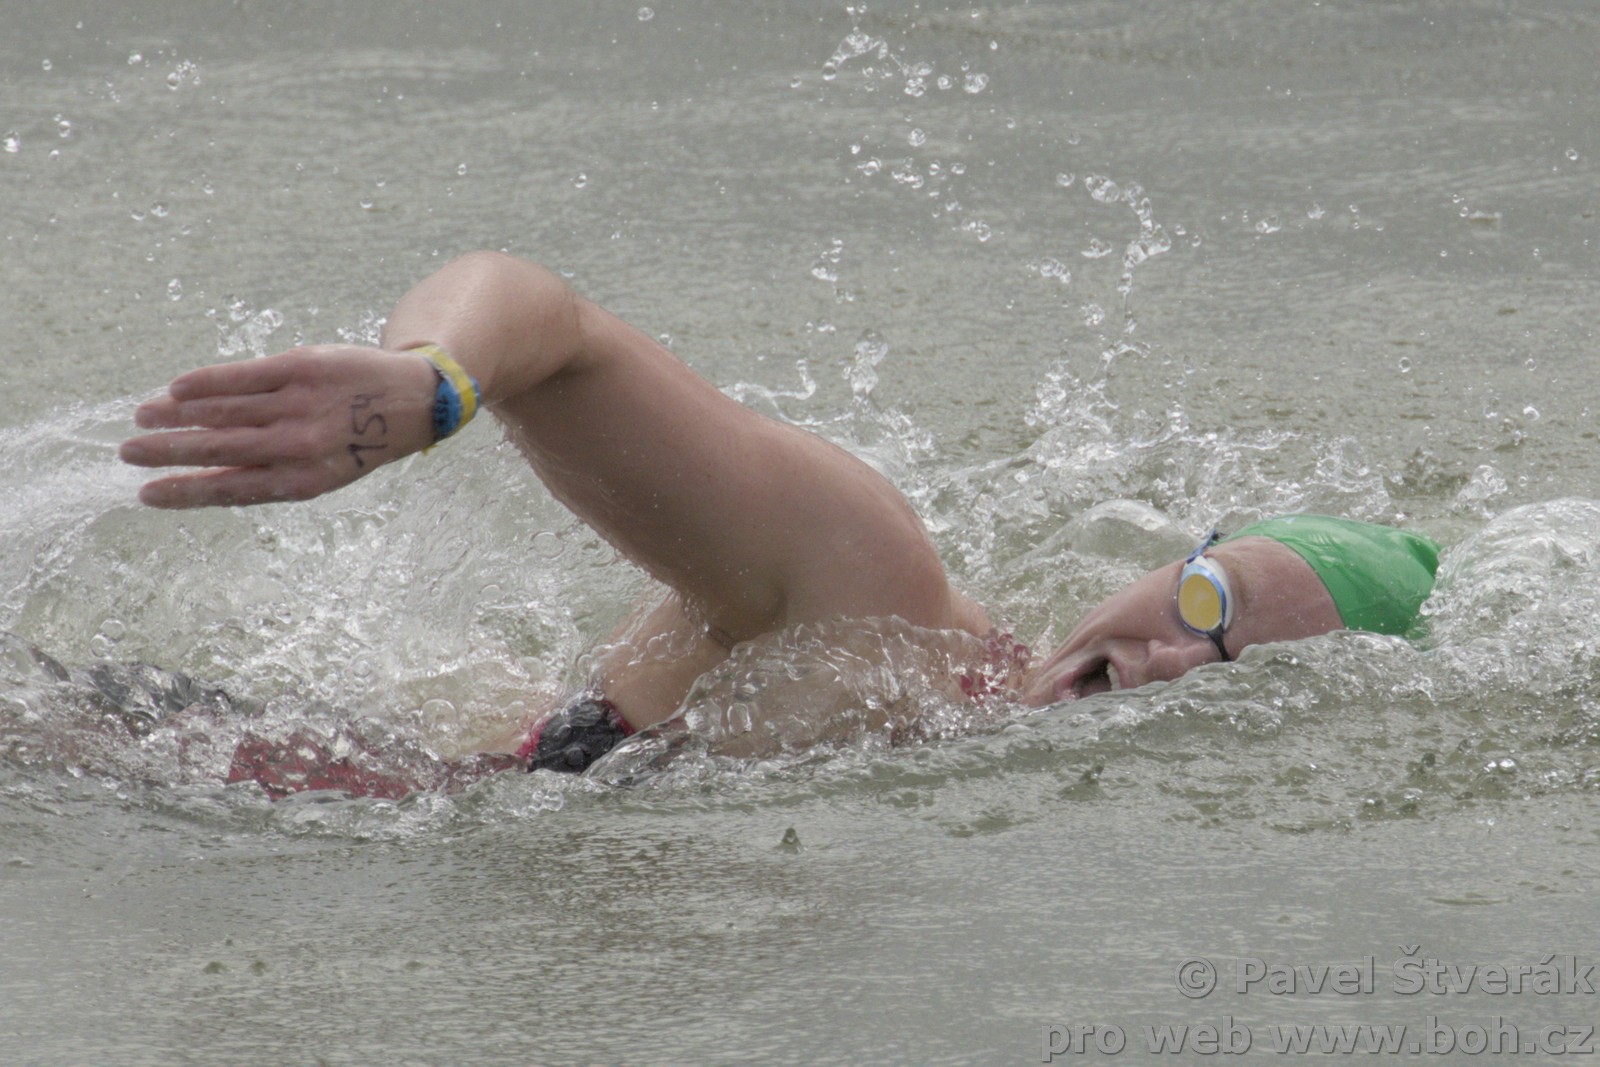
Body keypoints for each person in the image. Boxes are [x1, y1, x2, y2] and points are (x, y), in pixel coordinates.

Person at [119, 252, 1440, 792]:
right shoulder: (882, 599)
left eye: (1241, 671)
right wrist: (436, 386)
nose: (1171, 665)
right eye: (1207, 606)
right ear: (1173, 562)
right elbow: (552, 324)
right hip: (168, 757)